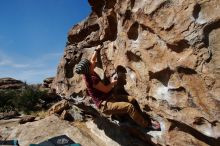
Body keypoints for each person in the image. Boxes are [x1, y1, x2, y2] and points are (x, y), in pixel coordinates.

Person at [75, 45, 160, 130]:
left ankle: (141, 118)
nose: (92, 63)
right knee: (129, 107)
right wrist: (113, 82)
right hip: (105, 104)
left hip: (109, 97)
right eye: (90, 64)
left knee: (132, 100)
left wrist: (96, 50)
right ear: (88, 69)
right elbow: (106, 89)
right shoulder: (92, 80)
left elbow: (92, 60)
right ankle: (146, 125)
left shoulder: (88, 72)